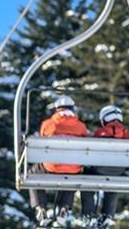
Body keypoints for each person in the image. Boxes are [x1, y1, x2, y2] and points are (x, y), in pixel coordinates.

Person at [30, 95, 89, 227]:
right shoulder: (80, 127)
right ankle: (65, 207)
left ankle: (40, 206)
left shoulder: (47, 124)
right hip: (73, 168)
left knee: (32, 173)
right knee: (72, 174)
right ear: (72, 109)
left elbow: (42, 142)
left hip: (51, 166)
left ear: (57, 109)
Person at [79, 105, 129, 228]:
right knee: (114, 182)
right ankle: (108, 215)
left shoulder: (100, 132)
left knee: (87, 180)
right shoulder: (126, 133)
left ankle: (89, 214)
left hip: (100, 169)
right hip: (119, 170)